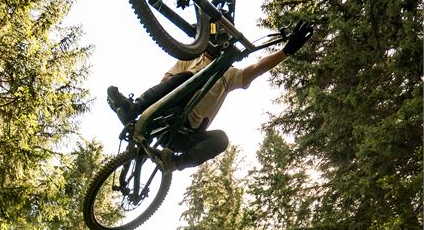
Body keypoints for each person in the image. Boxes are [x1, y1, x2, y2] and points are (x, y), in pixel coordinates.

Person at [107, 15, 313, 171]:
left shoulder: (228, 73)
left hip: (186, 134)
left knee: (221, 139)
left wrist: (287, 51)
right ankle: (132, 109)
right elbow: (165, 81)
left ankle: (174, 162)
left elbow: (257, 68)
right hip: (168, 111)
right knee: (184, 79)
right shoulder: (189, 59)